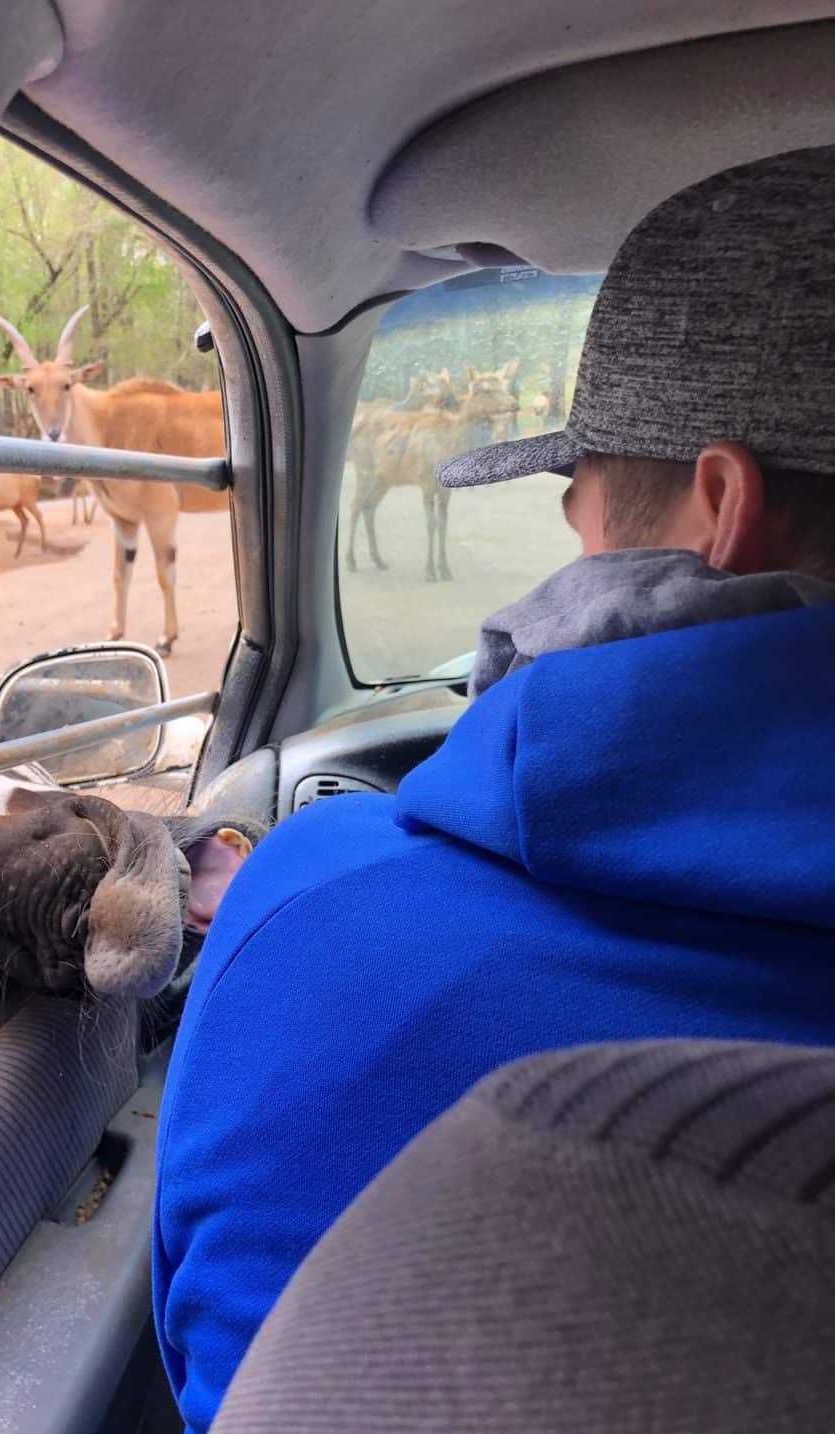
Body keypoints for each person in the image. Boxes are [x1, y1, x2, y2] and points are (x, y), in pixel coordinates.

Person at [153, 145, 835, 1434]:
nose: (571, 541)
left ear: (722, 505)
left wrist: (278, 905)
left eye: (577, 510)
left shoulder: (316, 917)